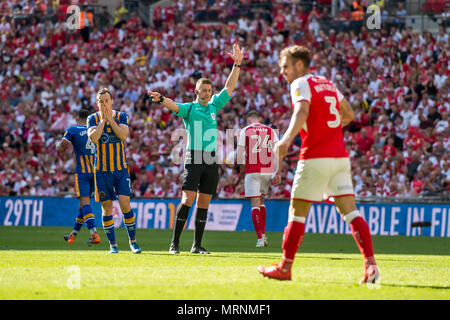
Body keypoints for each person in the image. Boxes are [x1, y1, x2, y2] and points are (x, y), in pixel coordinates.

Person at [257, 45, 380, 284]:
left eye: (286, 67)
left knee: (297, 213)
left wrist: (284, 141)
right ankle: (371, 266)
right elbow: (350, 114)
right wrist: (328, 129)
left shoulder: (300, 84)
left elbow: (301, 111)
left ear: (299, 65)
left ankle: (285, 267)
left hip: (315, 157)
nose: (283, 72)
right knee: (350, 211)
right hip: (340, 158)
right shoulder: (327, 83)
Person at [148, 43, 245, 255]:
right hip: (193, 158)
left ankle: (196, 246)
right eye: (204, 90)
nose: (208, 93)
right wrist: (162, 99)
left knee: (204, 203)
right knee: (187, 199)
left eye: (210, 90)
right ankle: (174, 244)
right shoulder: (190, 108)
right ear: (197, 91)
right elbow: (174, 106)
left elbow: (229, 87)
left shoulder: (213, 106)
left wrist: (237, 63)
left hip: (211, 159)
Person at [87, 88, 142, 254]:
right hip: (102, 171)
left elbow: (123, 135)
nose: (104, 103)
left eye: (106, 100)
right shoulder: (93, 119)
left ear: (112, 102)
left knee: (125, 204)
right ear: (97, 104)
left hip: (120, 169)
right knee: (107, 207)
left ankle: (133, 242)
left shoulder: (121, 116)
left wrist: (110, 118)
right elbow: (94, 138)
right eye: (101, 101)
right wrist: (103, 121)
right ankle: (113, 245)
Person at [236, 110, 280, 247]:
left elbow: (240, 153)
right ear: (259, 119)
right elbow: (277, 152)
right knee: (261, 201)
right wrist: (277, 172)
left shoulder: (246, 130)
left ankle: (260, 238)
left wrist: (241, 168)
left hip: (252, 170)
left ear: (249, 121)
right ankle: (263, 235)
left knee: (255, 203)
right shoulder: (270, 130)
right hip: (267, 170)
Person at [57, 109, 100, 245]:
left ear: (77, 118)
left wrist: (59, 145)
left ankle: (94, 233)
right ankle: (73, 235)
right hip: (96, 172)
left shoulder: (73, 130)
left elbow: (61, 148)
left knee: (85, 203)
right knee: (83, 205)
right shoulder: (96, 130)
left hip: (82, 172)